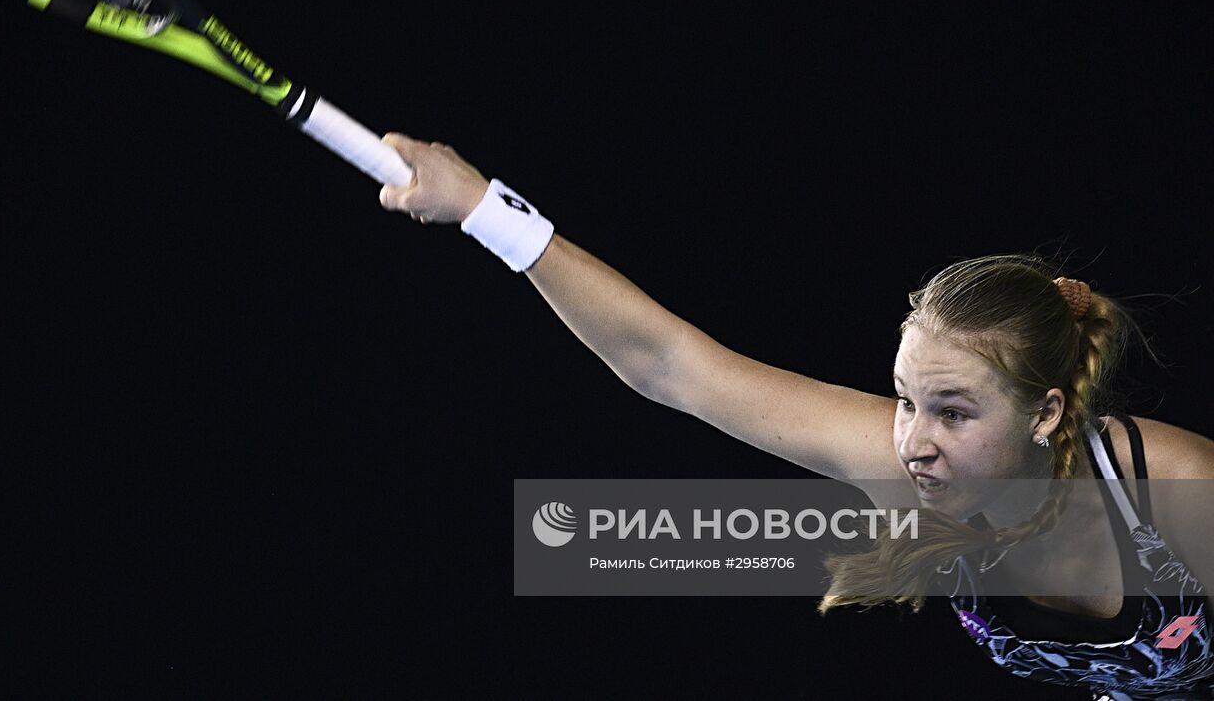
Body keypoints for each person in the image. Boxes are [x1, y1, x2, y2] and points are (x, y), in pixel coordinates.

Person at [376, 132, 1214, 700]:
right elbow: (671, 366)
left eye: (954, 414)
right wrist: (485, 209)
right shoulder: (911, 465)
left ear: (1047, 413)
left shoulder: (1184, 496)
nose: (914, 443)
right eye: (905, 400)